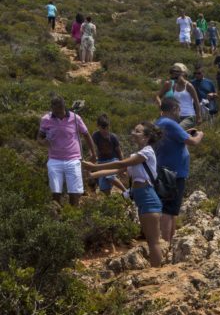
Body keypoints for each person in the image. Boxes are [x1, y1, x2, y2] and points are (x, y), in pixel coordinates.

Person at [83, 123, 165, 266]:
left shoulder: (147, 152)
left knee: (153, 242)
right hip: (142, 200)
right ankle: (156, 269)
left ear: (146, 137)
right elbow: (114, 171)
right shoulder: (137, 155)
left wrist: (96, 166)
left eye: (138, 131)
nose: (133, 132)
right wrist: (91, 174)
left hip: (148, 199)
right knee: (150, 240)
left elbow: (120, 164)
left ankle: (159, 273)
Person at [155, 98, 202, 242]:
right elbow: (193, 142)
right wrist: (200, 134)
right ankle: (165, 243)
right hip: (173, 173)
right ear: (174, 108)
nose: (180, 112)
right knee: (168, 210)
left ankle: (169, 242)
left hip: (167, 171)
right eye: (179, 109)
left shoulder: (160, 122)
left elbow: (174, 138)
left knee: (172, 210)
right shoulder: (169, 123)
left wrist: (184, 132)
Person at [37, 95, 97, 206]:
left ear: (63, 107)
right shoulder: (46, 119)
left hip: (73, 159)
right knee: (55, 191)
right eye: (54, 110)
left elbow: (86, 135)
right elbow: (39, 138)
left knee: (74, 191)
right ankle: (57, 216)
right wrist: (43, 142)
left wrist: (93, 153)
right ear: (52, 108)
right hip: (54, 159)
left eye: (58, 110)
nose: (56, 114)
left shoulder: (75, 118)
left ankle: (73, 216)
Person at [157, 63, 201, 128]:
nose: (174, 80)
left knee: (177, 128)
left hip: (189, 116)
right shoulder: (174, 86)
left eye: (176, 78)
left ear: (181, 75)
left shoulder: (189, 86)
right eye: (173, 78)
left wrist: (199, 116)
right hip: (177, 116)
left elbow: (197, 102)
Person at [91, 114, 123, 195]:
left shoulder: (113, 137)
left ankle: (125, 191)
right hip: (101, 161)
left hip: (113, 160)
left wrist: (123, 164)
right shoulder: (96, 135)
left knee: (109, 176)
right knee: (103, 186)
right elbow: (91, 147)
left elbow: (119, 151)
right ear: (98, 126)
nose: (105, 130)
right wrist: (92, 156)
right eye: (103, 128)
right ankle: (109, 202)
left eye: (107, 128)